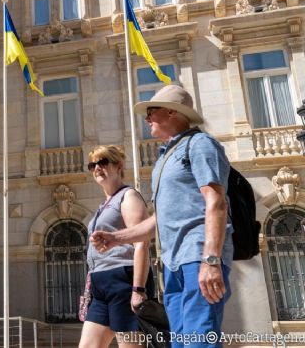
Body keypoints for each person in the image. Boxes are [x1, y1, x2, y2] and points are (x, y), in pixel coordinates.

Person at [91, 85, 233, 348]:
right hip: (172, 264)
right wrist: (116, 237)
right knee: (179, 343)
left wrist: (211, 260)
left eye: (151, 112)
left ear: (171, 113)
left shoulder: (200, 144)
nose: (147, 119)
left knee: (198, 340)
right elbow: (160, 219)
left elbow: (216, 202)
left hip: (197, 257)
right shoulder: (165, 159)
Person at [79, 145, 153, 348]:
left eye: (103, 162)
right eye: (92, 165)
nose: (97, 168)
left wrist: (138, 289)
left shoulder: (128, 196)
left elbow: (142, 242)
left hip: (124, 281)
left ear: (119, 166)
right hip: (100, 284)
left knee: (129, 346)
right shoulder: (104, 204)